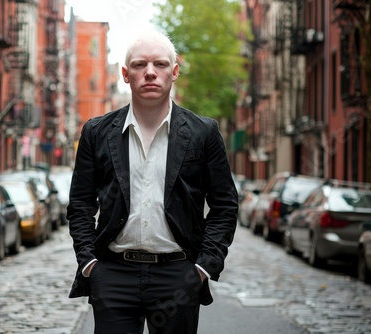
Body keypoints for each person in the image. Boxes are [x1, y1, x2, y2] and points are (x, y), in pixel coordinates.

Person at [67, 29, 239, 334]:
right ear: (125, 74)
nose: (150, 73)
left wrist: (203, 267)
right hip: (113, 275)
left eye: (160, 64)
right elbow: (80, 204)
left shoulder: (203, 133)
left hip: (179, 275)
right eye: (139, 65)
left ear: (174, 73)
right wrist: (90, 263)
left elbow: (224, 206)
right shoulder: (97, 132)